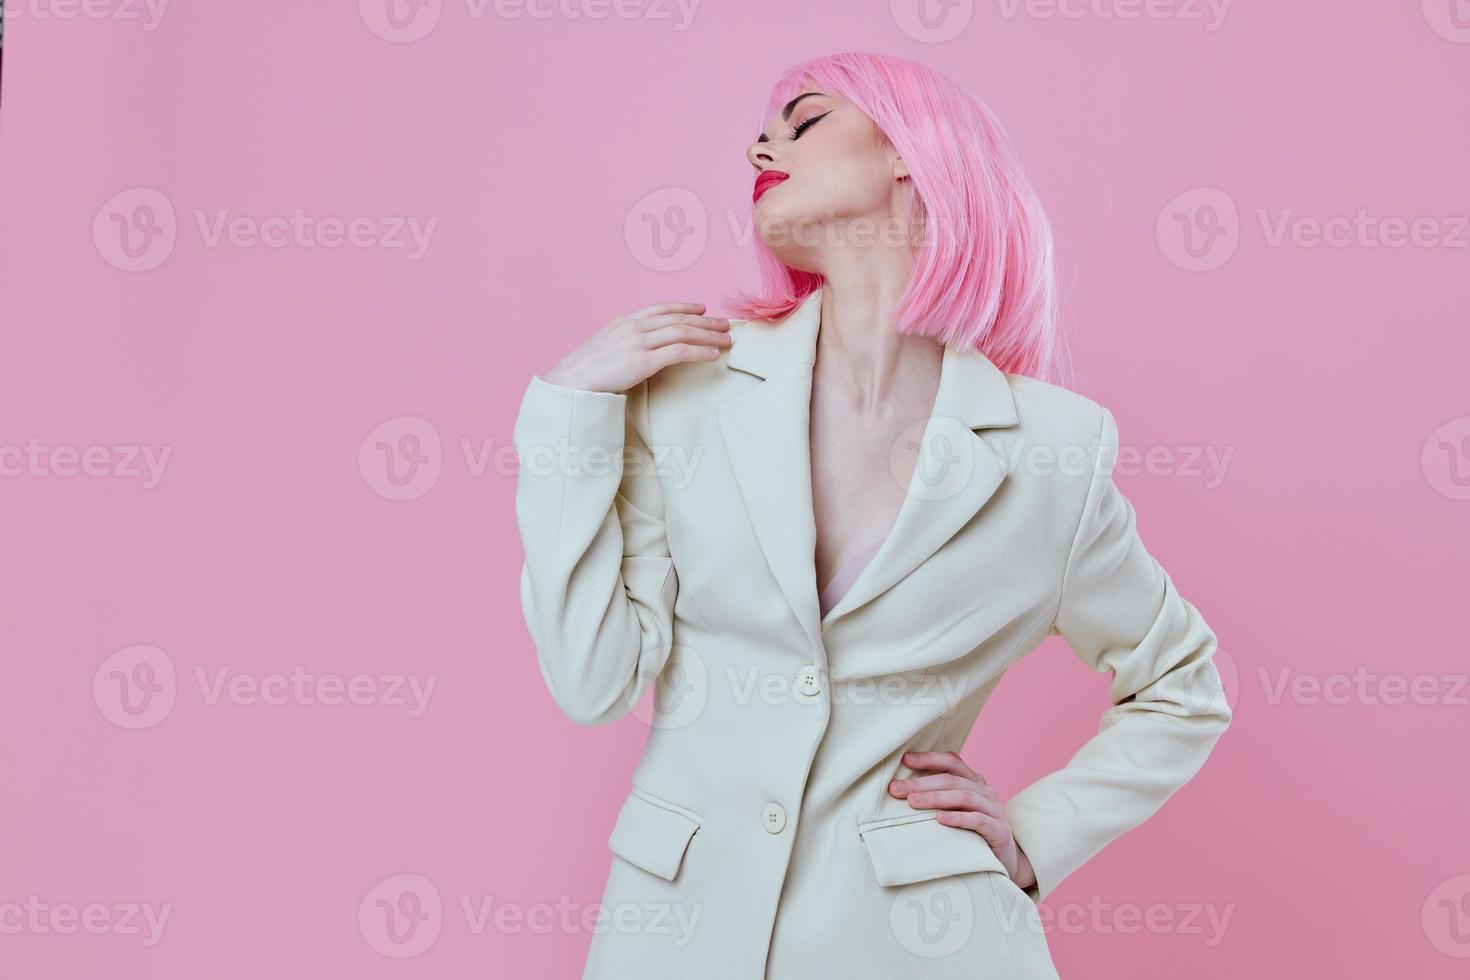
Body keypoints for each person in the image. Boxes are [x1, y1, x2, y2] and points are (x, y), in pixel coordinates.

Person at [512, 50, 1232, 979]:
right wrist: (568, 416)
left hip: (926, 945)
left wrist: (1033, 838)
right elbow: (592, 681)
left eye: (803, 120)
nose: (759, 143)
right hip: (679, 936)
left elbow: (1182, 685)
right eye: (765, 130)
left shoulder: (1054, 452)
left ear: (909, 153)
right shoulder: (682, 391)